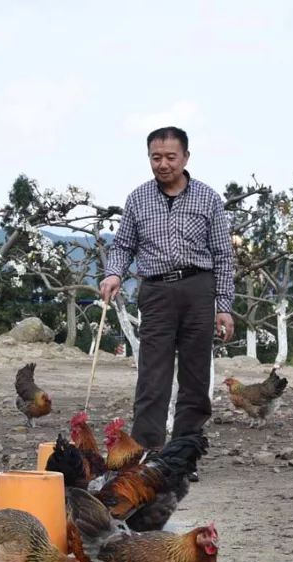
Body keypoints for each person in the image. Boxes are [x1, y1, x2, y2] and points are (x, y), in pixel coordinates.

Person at [99, 126, 235, 449]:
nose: (163, 164)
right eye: (155, 157)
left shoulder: (208, 198)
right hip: (156, 292)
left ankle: (185, 453)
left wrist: (224, 306)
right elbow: (122, 246)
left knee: (195, 377)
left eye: (170, 157)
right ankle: (147, 453)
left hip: (198, 290)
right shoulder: (138, 199)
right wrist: (114, 273)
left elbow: (223, 256)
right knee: (152, 377)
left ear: (186, 157)